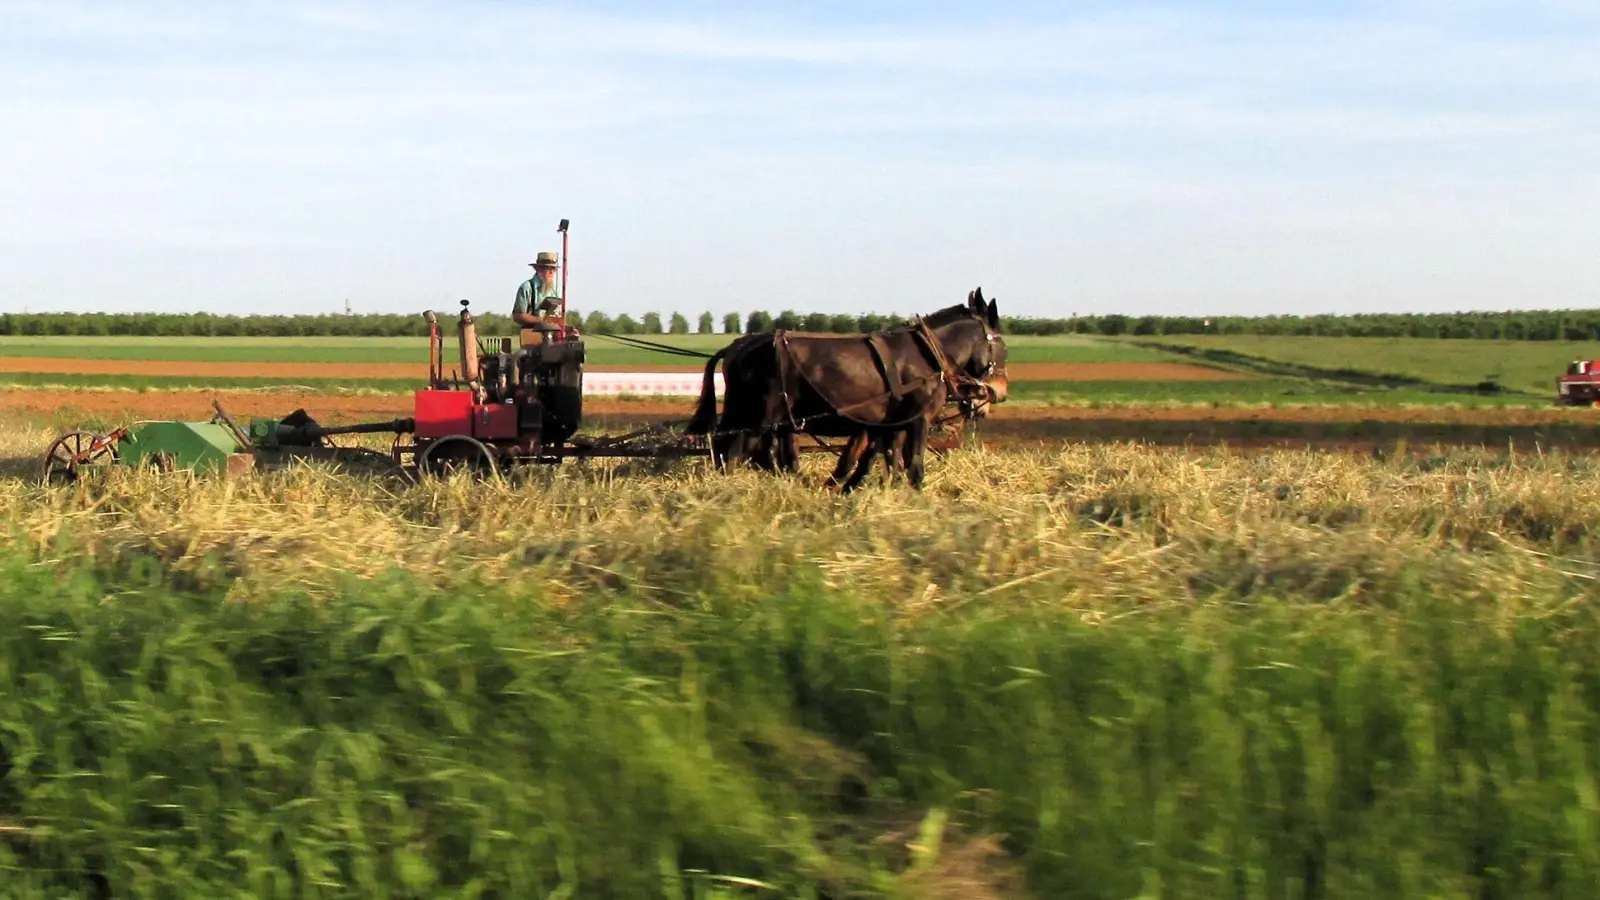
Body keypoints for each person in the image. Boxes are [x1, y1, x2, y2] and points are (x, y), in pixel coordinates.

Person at [512, 252, 562, 328]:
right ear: (538, 269)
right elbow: (517, 315)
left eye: (554, 269)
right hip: (531, 335)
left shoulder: (555, 290)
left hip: (552, 335)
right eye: (548, 268)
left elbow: (558, 315)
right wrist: (541, 320)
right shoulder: (527, 287)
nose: (551, 272)